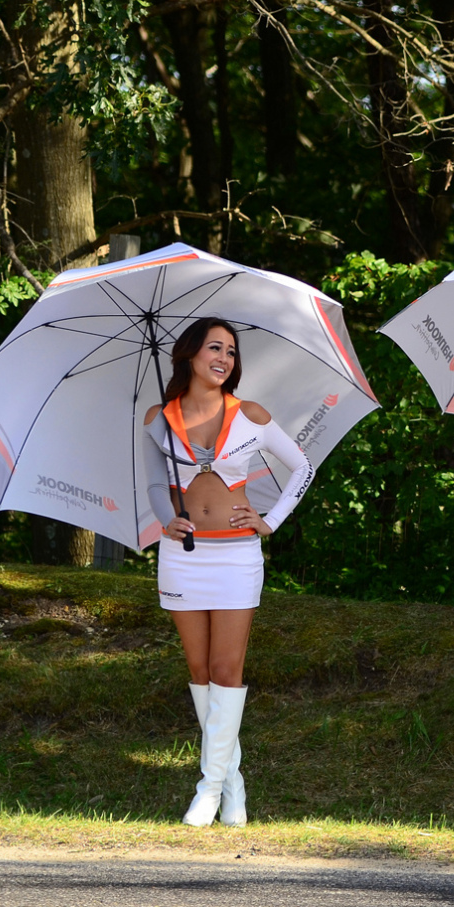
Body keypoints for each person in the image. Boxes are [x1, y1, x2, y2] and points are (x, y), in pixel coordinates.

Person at [143, 317, 315, 828]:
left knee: (226, 672)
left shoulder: (250, 414)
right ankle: (233, 786)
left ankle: (208, 789)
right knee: (200, 674)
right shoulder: (158, 418)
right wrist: (165, 518)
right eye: (215, 348)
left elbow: (302, 467)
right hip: (182, 555)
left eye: (232, 352)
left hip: (237, 556)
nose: (224, 358)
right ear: (190, 354)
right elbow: (154, 484)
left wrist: (270, 521)